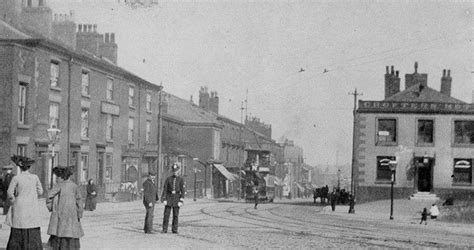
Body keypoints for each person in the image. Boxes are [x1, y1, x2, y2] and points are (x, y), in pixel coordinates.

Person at [6, 155, 43, 249]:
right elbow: (41, 191)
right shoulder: (35, 177)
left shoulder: (16, 178)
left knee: (19, 225)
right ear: (29, 167)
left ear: (20, 167)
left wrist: (13, 200)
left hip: (20, 206)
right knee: (32, 225)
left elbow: (10, 192)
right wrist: (33, 196)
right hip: (31, 205)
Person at [46, 165, 84, 249]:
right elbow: (79, 201)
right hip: (72, 213)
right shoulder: (75, 186)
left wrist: (52, 207)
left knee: (61, 231)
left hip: (61, 212)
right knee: (71, 231)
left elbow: (49, 196)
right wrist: (79, 213)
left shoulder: (59, 185)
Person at [161, 163, 185, 234]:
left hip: (177, 198)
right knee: (166, 215)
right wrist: (164, 199)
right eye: (174, 171)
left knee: (175, 215)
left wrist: (181, 200)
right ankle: (164, 229)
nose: (175, 172)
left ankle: (174, 229)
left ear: (178, 171)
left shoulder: (181, 179)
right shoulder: (168, 179)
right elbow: (165, 189)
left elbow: (183, 191)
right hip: (169, 198)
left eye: (176, 171)